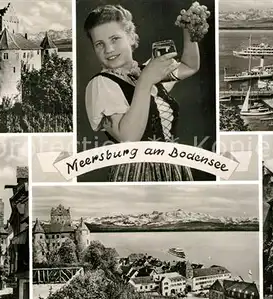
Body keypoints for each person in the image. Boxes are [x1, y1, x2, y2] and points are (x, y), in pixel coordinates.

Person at [83, 4, 207, 182]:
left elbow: (190, 66)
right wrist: (146, 80)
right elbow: (128, 139)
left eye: (115, 39)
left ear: (131, 38)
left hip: (172, 168)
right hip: (136, 172)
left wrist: (190, 31)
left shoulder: (145, 71)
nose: (108, 49)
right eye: (99, 44)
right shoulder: (101, 84)